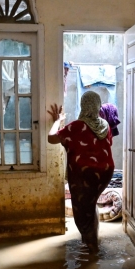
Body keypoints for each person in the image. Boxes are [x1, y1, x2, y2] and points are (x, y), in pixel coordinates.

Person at [48, 91, 115, 252]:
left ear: (83, 105)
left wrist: (58, 121)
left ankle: (92, 246)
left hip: (83, 173)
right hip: (105, 172)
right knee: (91, 205)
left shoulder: (76, 126)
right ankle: (91, 239)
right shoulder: (105, 125)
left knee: (81, 209)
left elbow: (51, 138)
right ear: (98, 106)